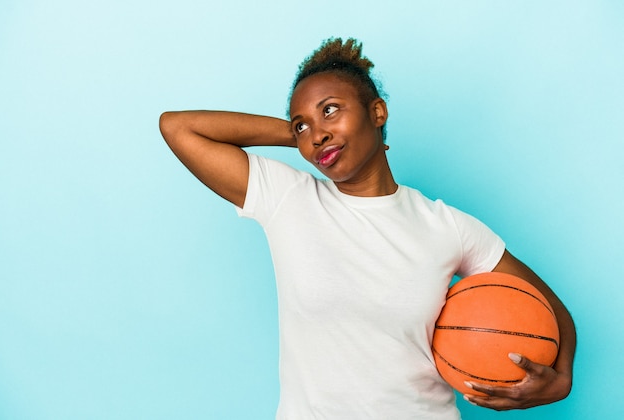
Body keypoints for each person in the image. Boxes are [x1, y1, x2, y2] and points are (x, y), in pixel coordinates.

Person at [159, 38, 575, 419]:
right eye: (301, 124)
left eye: (331, 109)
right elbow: (178, 127)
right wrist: (302, 136)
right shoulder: (288, 198)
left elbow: (552, 309)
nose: (316, 133)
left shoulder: (446, 226)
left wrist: (561, 381)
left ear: (377, 112)